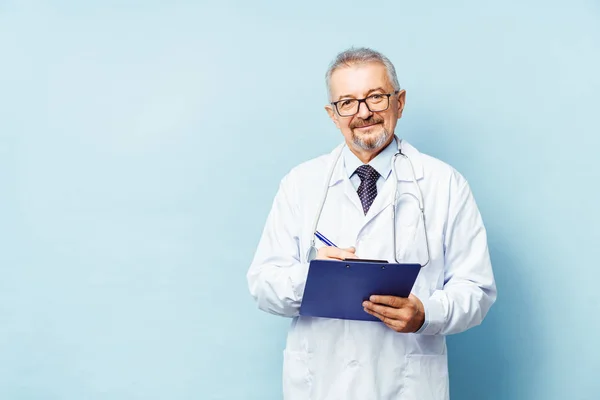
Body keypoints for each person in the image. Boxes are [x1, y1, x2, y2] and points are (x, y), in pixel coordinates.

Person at [246, 47, 497, 400]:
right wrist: (312, 278)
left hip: (407, 384)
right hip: (321, 384)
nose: (363, 113)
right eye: (347, 102)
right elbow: (262, 284)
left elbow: (477, 289)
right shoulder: (301, 184)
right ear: (333, 115)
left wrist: (426, 314)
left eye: (376, 97)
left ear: (400, 102)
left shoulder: (444, 184)